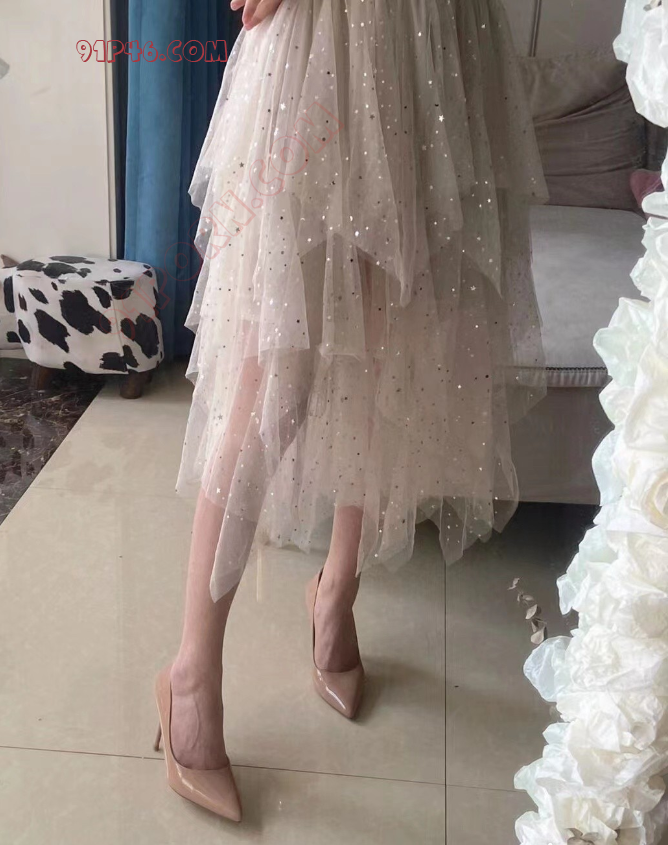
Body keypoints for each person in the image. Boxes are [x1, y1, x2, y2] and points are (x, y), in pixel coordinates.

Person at [154, 0, 548, 822]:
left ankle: (336, 591)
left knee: (392, 342)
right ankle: (191, 672)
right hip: (321, 42)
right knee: (277, 378)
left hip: (439, 39)